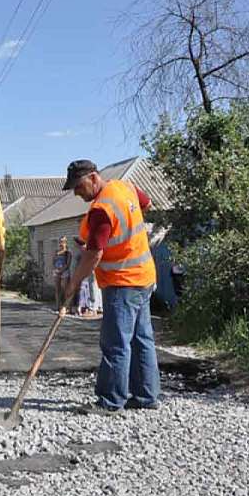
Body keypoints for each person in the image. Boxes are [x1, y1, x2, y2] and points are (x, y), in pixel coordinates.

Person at [61, 159, 160, 415]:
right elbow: (147, 204)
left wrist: (74, 283)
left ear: (94, 177)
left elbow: (93, 255)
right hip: (144, 276)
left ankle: (110, 401)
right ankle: (146, 397)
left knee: (116, 343)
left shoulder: (102, 210)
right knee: (142, 340)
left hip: (122, 283)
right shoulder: (124, 187)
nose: (76, 192)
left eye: (79, 186)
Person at [52, 239, 71, 313]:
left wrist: (61, 270)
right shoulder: (56, 252)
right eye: (60, 242)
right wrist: (56, 269)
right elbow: (53, 261)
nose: (61, 243)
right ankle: (58, 306)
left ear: (66, 243)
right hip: (56, 271)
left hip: (64, 271)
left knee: (65, 289)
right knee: (57, 289)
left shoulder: (68, 252)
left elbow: (68, 264)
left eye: (63, 242)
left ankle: (67, 306)